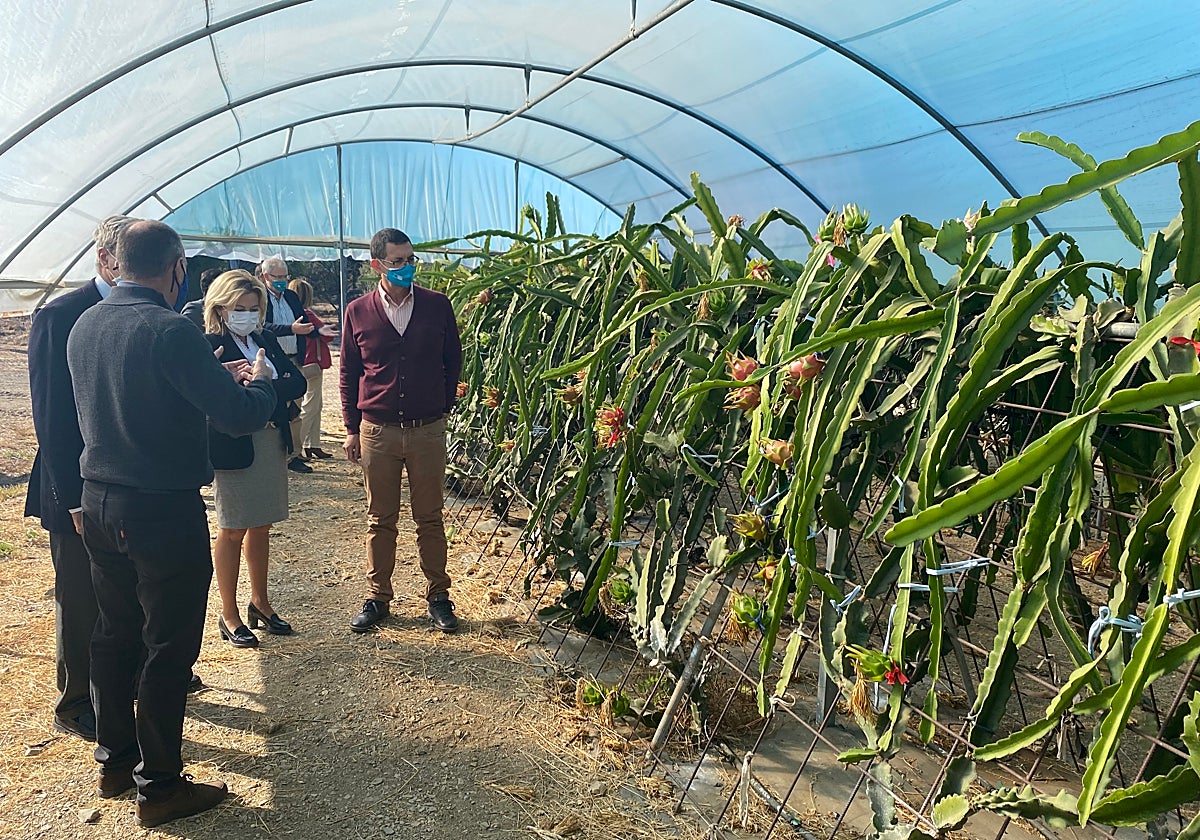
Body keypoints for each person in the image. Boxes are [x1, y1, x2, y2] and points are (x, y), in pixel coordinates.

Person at [67, 220, 276, 827]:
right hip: (160, 508)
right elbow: (235, 416)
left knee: (114, 632)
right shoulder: (169, 330)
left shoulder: (88, 324)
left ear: (116, 263)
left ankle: (113, 758)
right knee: (169, 645)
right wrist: (262, 389)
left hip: (100, 501)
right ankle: (159, 786)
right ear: (177, 267)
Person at [25, 216, 133, 742]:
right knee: (80, 594)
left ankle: (122, 680)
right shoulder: (60, 315)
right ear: (104, 259)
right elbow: (51, 418)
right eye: (125, 259)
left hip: (123, 482)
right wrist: (70, 496)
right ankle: (75, 701)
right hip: (75, 486)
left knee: (122, 587)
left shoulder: (140, 310)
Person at [340, 228, 463, 634]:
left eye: (410, 260)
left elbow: (453, 362)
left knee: (430, 517)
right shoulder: (357, 311)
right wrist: (352, 428)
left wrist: (439, 407)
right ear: (377, 265)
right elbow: (349, 372)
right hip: (378, 431)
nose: (406, 267)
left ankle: (439, 597)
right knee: (380, 519)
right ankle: (378, 597)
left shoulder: (436, 306)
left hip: (427, 429)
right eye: (397, 262)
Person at [204, 270, 307, 647]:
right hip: (234, 444)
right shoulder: (209, 344)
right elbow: (215, 395)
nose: (246, 314)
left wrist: (260, 383)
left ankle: (260, 602)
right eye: (238, 308)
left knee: (261, 524)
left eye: (253, 307)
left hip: (268, 439)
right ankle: (228, 613)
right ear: (220, 307)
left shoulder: (263, 339)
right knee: (232, 528)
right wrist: (256, 385)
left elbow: (298, 382)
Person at [256, 257, 314, 473]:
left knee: (295, 407)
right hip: (272, 359)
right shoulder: (259, 297)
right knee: (275, 407)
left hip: (293, 357)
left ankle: (295, 454)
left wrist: (317, 332)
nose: (282, 281)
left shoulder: (290, 296)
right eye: (277, 277)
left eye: (285, 277)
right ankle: (275, 453)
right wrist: (290, 329)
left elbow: (302, 321)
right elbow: (262, 326)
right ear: (265, 277)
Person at [288, 277, 337, 460]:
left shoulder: (292, 315)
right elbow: (326, 335)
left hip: (304, 362)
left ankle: (312, 444)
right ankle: (297, 446)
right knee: (310, 406)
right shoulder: (308, 314)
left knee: (316, 405)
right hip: (313, 364)